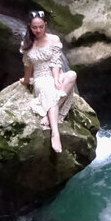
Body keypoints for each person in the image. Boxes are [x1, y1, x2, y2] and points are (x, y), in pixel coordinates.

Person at [20, 10, 77, 154]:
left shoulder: (54, 40)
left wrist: (57, 79)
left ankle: (48, 115)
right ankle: (55, 134)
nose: (38, 30)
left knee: (71, 75)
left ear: (45, 25)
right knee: (50, 90)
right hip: (40, 78)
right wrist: (26, 81)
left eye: (41, 26)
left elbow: (56, 62)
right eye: (34, 27)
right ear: (29, 27)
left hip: (54, 74)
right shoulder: (26, 44)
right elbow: (27, 66)